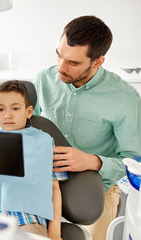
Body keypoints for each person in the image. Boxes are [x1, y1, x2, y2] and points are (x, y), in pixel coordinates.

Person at [33, 15, 141, 240]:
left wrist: (92, 161)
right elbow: (25, 128)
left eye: (73, 63)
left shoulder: (125, 99)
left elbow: (135, 161)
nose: (61, 68)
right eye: (59, 56)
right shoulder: (44, 79)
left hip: (95, 191)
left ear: (98, 61)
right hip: (43, 183)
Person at [0, 80, 67, 239]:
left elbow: (54, 189)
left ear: (29, 111)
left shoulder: (44, 142)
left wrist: (55, 233)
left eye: (16, 108)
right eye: (0, 109)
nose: (7, 115)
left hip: (27, 219)